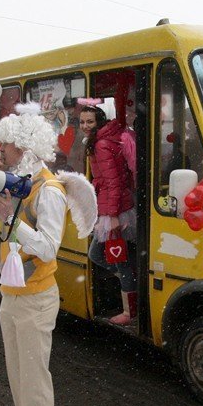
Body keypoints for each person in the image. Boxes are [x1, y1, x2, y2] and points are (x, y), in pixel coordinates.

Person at [0, 106, 96, 406]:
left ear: (25, 147)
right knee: (17, 372)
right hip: (13, 293)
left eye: (6, 145)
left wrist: (11, 218)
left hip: (36, 297)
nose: (0, 149)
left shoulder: (50, 191)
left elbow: (47, 248)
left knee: (34, 376)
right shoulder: (15, 182)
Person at [80, 101, 137, 325]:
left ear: (99, 122)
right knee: (123, 259)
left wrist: (112, 216)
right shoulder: (106, 139)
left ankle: (129, 309)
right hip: (116, 205)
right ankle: (131, 284)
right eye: (82, 122)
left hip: (114, 210)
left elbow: (113, 182)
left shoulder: (101, 145)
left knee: (104, 257)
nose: (85, 126)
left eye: (90, 121)